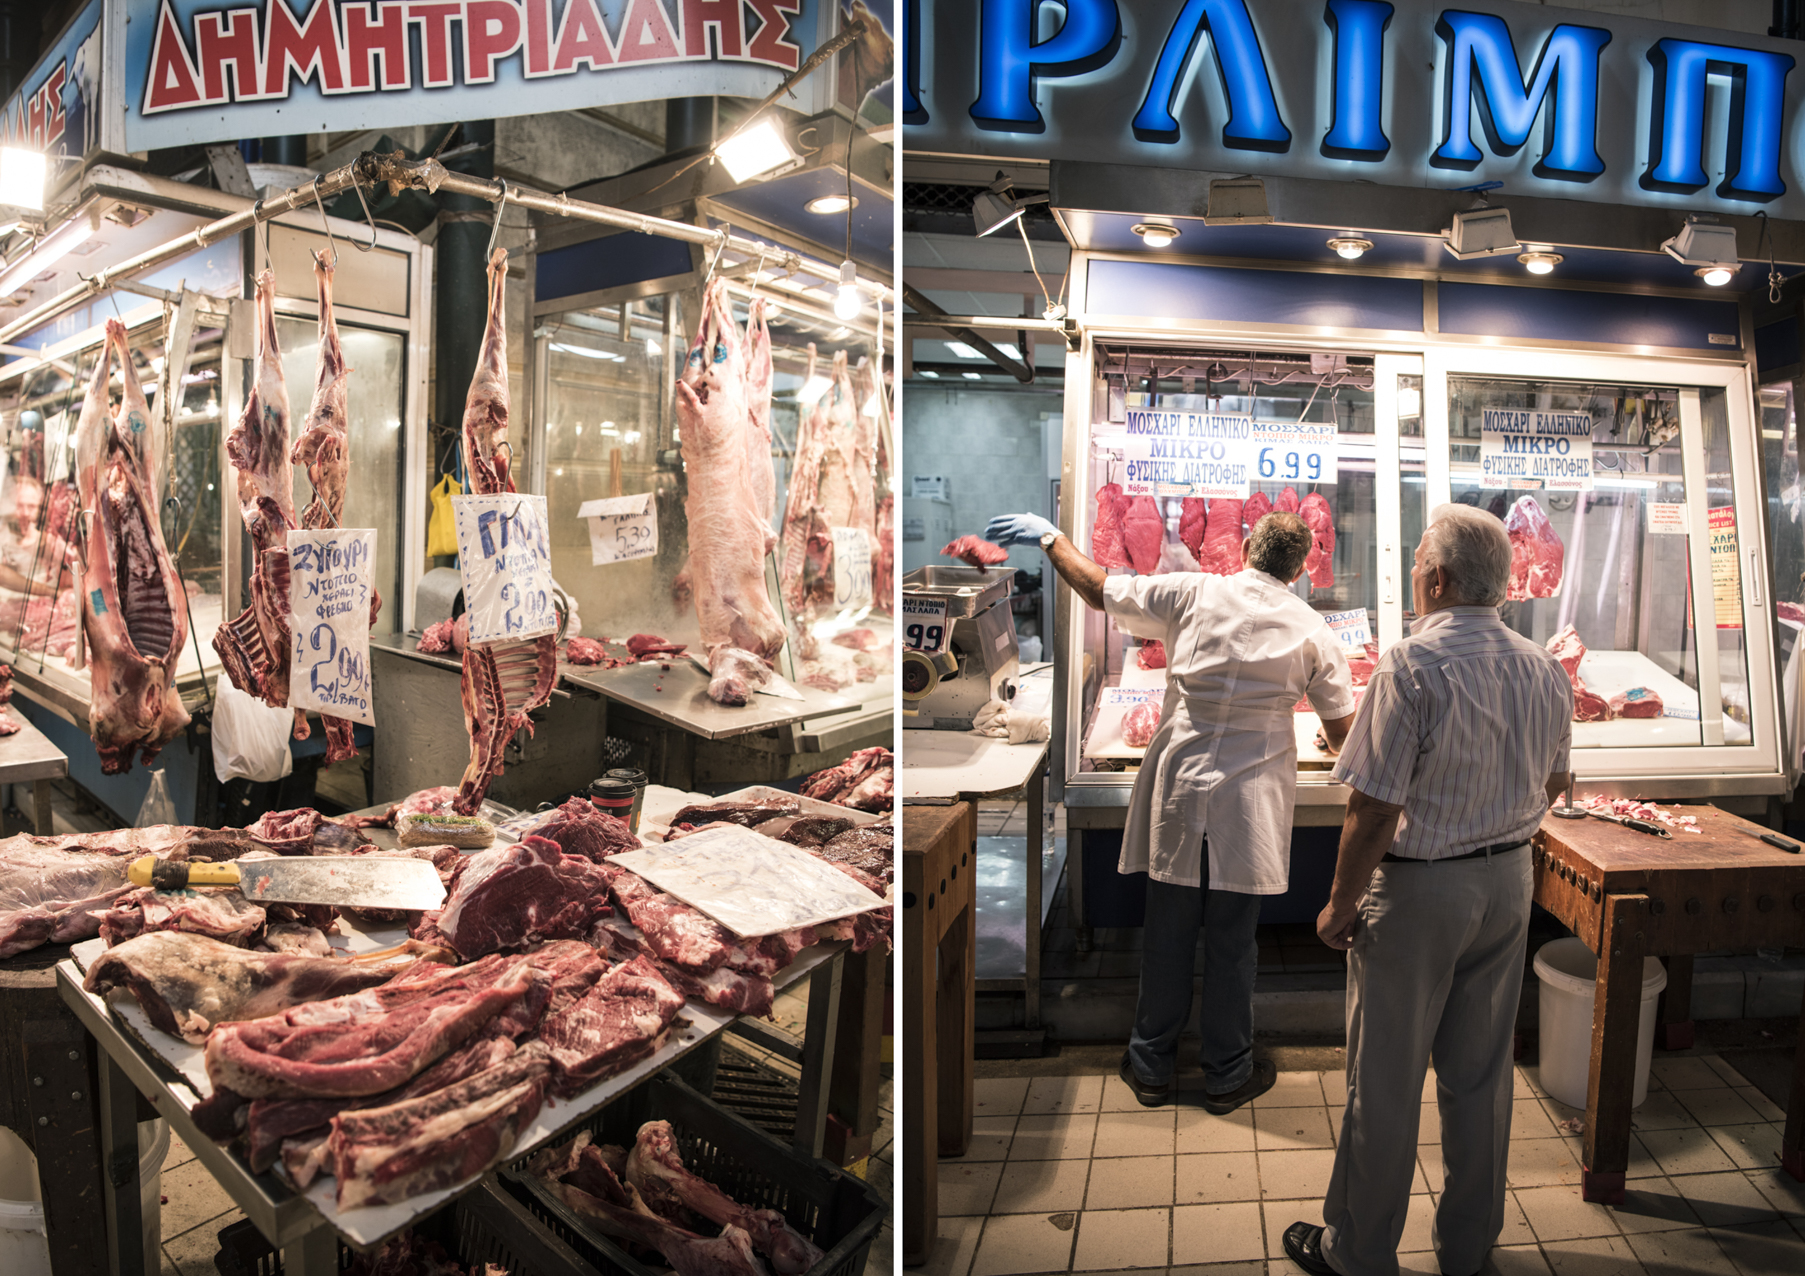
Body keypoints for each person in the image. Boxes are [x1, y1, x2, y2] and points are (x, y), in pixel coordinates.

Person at [1282, 504, 1573, 1276]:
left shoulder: (1410, 665)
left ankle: (1358, 1253)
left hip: (1418, 894)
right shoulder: (1541, 666)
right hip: (1509, 882)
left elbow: (1372, 808)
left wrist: (1340, 905)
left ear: (1436, 578)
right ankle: (1467, 1248)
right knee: (1479, 1078)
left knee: (1383, 1078)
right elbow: (1555, 781)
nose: (1414, 573)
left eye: (1416, 561)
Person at [986, 508, 1356, 1110]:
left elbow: (1098, 588)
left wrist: (1051, 538)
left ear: (1244, 552)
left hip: (1181, 781)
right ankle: (1227, 1073)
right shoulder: (1313, 630)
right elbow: (1344, 734)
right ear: (1300, 571)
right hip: (1251, 794)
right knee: (1234, 941)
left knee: (1168, 928)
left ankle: (1150, 1066)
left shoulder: (1193, 592)